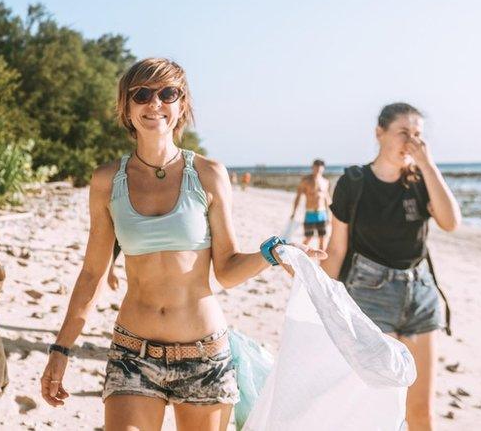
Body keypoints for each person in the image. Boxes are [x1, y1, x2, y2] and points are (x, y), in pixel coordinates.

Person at [39, 57, 325, 431]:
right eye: (141, 94)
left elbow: (227, 268)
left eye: (167, 93)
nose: (154, 103)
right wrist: (61, 350)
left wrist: (273, 253)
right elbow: (93, 273)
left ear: (182, 104)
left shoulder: (208, 175)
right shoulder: (107, 180)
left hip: (204, 354)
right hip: (132, 352)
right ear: (126, 107)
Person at [321, 102, 461, 431]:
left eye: (418, 135)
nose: (411, 142)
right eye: (403, 133)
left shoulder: (420, 179)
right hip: (369, 297)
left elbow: (451, 221)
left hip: (421, 296)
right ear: (379, 133)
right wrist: (323, 305)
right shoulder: (353, 183)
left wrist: (428, 165)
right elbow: (337, 248)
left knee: (421, 411)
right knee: (374, 411)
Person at [290, 159, 331, 252]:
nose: (317, 171)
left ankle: (321, 264)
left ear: (323, 169)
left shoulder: (325, 182)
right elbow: (298, 197)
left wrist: (330, 216)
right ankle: (299, 255)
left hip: (322, 214)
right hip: (310, 213)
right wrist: (294, 212)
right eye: (316, 168)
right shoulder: (305, 181)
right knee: (308, 237)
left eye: (320, 169)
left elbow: (327, 199)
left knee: (322, 239)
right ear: (312, 168)